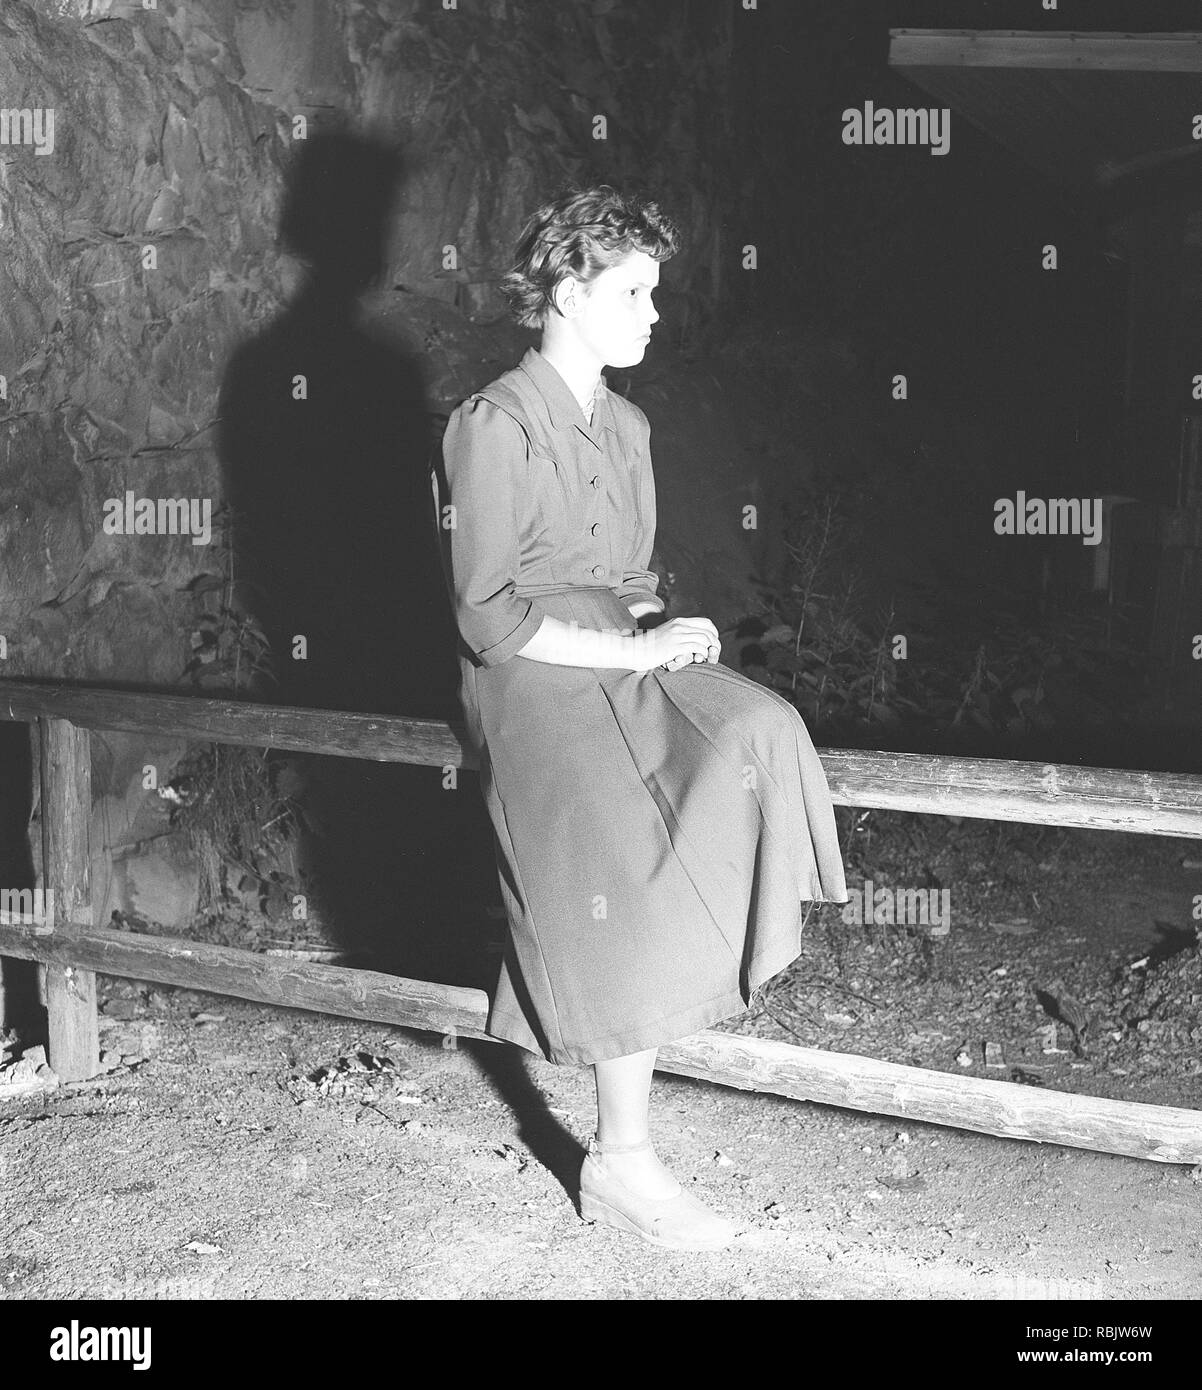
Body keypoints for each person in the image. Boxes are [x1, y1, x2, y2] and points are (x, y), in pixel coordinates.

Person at [436, 184, 847, 1251]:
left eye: (653, 292)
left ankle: (719, 946)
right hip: (530, 675)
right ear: (567, 292)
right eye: (633, 292)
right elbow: (487, 616)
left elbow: (627, 578)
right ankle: (621, 1157)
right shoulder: (492, 424)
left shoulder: (627, 424)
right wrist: (627, 647)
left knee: (757, 730)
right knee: (623, 841)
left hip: (615, 649)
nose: (653, 314)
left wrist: (670, 623)